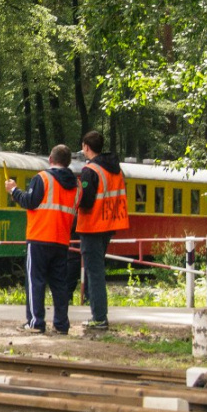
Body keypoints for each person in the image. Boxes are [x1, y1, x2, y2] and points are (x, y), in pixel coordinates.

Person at [6, 145, 81, 334]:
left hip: (39, 237)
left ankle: (36, 322)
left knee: (35, 281)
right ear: (68, 162)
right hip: (62, 240)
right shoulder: (77, 185)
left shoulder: (43, 178)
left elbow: (30, 202)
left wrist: (14, 190)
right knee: (59, 284)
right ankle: (61, 324)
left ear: (50, 159)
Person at [75, 130, 129, 330]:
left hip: (92, 227)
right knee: (97, 271)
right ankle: (99, 315)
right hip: (109, 226)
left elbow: (86, 201)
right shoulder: (115, 169)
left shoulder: (91, 171)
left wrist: (76, 196)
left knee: (94, 273)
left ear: (86, 147)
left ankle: (99, 317)